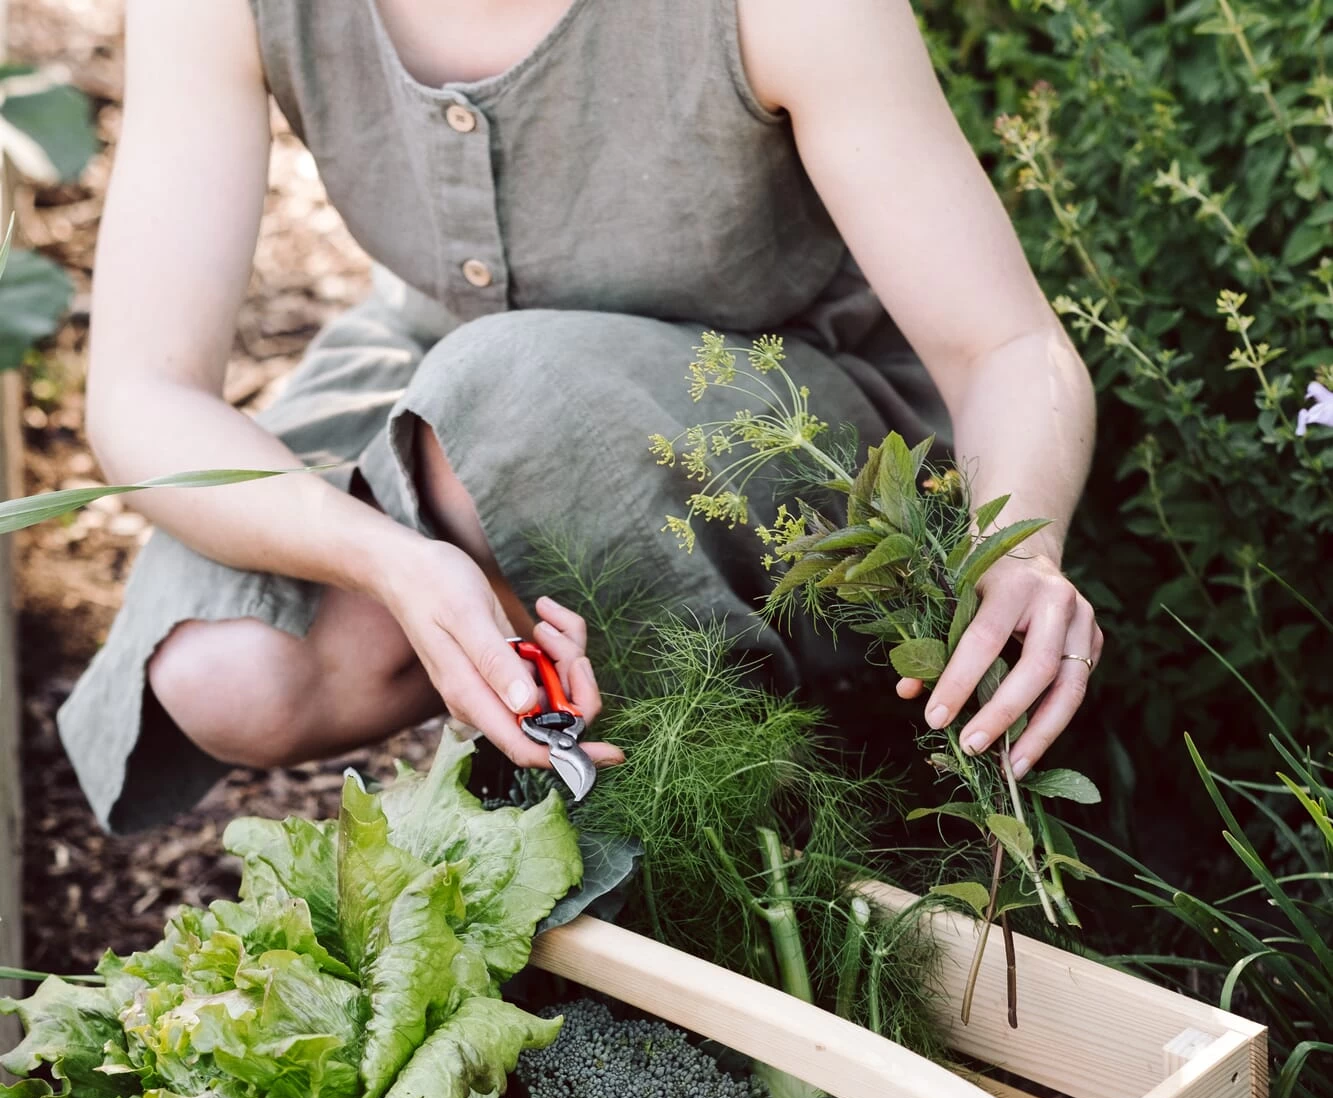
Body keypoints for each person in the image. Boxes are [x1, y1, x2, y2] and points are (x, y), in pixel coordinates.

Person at [64, 0, 1103, 834]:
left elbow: (1003, 348)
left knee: (510, 399)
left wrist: (1018, 549)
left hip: (789, 403)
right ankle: (549, 679)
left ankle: (782, 772)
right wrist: (386, 559)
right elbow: (143, 393)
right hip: (443, 364)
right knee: (232, 671)